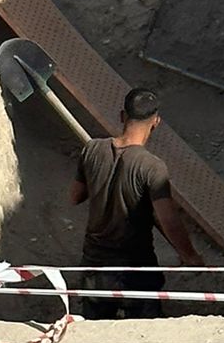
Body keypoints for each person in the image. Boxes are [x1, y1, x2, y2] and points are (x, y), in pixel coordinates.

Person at [70, 87, 199, 318]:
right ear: (156, 122)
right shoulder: (152, 166)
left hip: (94, 264)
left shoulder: (91, 149)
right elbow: (168, 220)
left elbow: (75, 197)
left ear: (122, 116)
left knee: (96, 331)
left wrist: (101, 181)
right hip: (136, 268)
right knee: (143, 330)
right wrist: (190, 255)